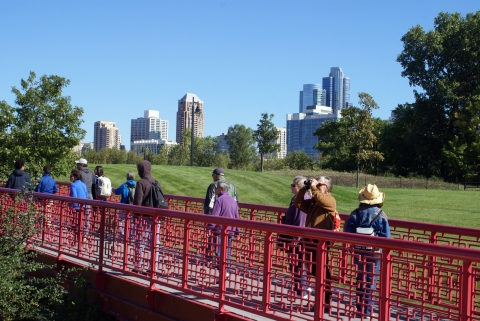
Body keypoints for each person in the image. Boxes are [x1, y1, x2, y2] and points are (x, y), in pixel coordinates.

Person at [344, 184, 390, 319]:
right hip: (374, 253)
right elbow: (386, 237)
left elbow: (348, 233)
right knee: (371, 281)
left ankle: (359, 308)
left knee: (360, 278)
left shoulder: (354, 213)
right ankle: (368, 310)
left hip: (358, 250)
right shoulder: (381, 215)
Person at [293, 175, 336, 312]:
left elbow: (324, 202)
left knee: (323, 275)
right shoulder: (314, 202)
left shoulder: (329, 199)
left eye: (319, 184)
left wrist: (314, 188)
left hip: (321, 244)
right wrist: (304, 189)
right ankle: (321, 303)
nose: (316, 186)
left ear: (327, 187)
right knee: (315, 273)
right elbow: (298, 203)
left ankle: (324, 304)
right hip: (310, 243)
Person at [280, 176, 311, 299]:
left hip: (298, 238)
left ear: (300, 187)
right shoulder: (301, 197)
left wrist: (295, 239)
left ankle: (301, 290)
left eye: (293, 185)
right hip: (299, 237)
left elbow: (300, 221)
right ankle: (301, 287)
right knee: (298, 263)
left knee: (297, 263)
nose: (291, 187)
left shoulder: (302, 199)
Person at [132, 160, 163, 272]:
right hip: (156, 218)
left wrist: (135, 217)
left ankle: (138, 266)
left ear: (141, 169)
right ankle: (153, 267)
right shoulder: (156, 182)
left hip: (144, 218)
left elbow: (137, 203)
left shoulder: (141, 183)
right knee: (155, 243)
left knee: (140, 241)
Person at [207, 180, 240, 278]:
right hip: (230, 230)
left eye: (216, 188)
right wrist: (237, 232)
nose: (215, 190)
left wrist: (209, 228)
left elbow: (214, 216)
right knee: (227, 251)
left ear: (221, 189)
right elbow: (236, 217)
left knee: (219, 252)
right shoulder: (232, 201)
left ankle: (223, 272)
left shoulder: (219, 200)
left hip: (219, 230)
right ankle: (227, 271)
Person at [114, 171, 136, 236]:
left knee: (121, 220)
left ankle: (123, 233)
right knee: (132, 220)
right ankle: (131, 234)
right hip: (134, 205)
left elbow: (116, 192)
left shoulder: (124, 185)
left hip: (124, 205)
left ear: (127, 177)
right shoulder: (137, 185)